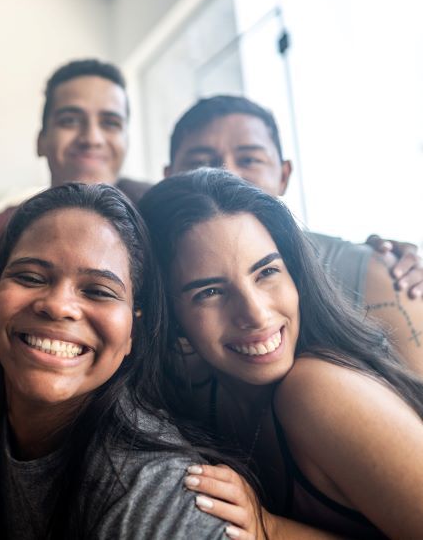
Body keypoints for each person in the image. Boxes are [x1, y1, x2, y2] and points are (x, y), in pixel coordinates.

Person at [139, 169, 423, 538]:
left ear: (295, 274)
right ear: (169, 315)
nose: (255, 314)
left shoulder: (317, 391)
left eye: (267, 272)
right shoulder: (193, 385)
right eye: (210, 292)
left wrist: (272, 529)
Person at [0, 182, 232, 539]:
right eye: (30, 277)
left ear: (134, 331)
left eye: (98, 291)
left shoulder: (155, 489)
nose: (58, 305)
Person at [166, 95, 423, 373]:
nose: (226, 174)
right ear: (168, 179)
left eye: (249, 159)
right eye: (202, 163)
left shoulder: (379, 273)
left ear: (284, 175)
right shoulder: (156, 274)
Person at [0, 58, 150, 247]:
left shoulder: (160, 222)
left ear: (127, 142)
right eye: (70, 121)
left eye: (110, 123)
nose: (92, 139)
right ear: (41, 141)